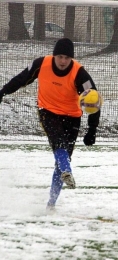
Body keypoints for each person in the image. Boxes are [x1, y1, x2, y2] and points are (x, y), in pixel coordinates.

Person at [0, 38, 100, 213]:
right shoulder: (41, 64)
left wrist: (92, 130)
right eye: (60, 56)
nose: (63, 61)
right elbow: (21, 79)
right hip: (48, 111)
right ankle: (67, 169)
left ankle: (51, 204)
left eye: (67, 58)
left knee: (60, 162)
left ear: (72, 59)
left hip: (72, 117)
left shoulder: (80, 73)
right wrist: (3, 91)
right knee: (58, 144)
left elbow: (94, 100)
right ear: (54, 56)